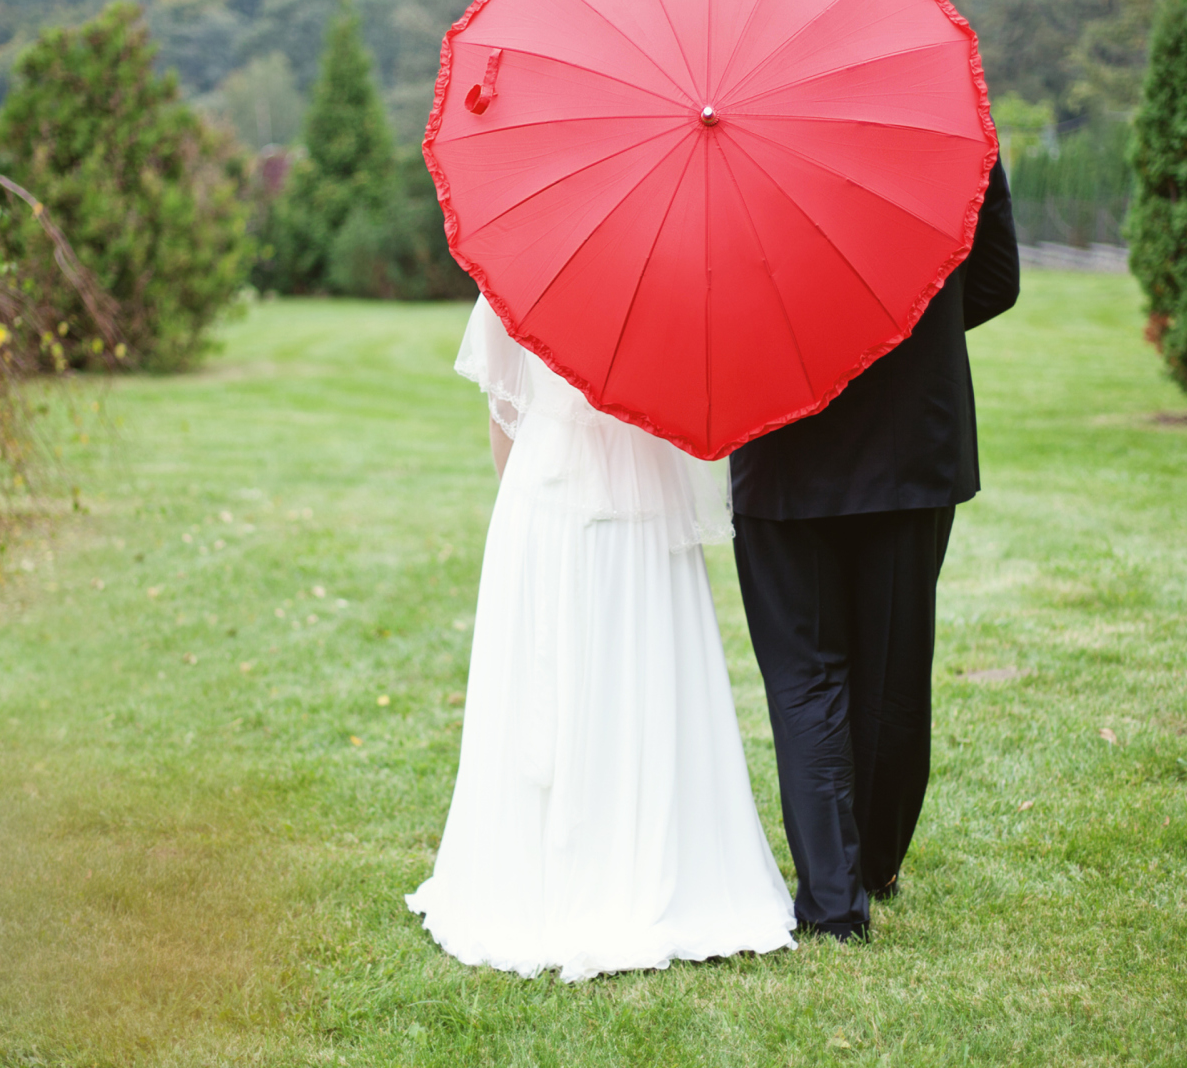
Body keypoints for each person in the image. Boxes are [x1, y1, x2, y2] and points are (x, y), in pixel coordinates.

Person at [407, 295, 796, 981]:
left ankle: (535, 880)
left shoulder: (523, 269)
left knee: (546, 675)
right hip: (645, 497)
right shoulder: (676, 278)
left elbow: (504, 412)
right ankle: (648, 858)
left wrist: (531, 502)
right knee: (643, 676)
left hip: (546, 492)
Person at [729, 157, 1020, 943]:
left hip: (782, 429)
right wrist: (898, 339)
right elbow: (995, 280)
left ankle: (832, 901)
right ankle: (876, 862)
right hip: (908, 436)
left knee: (804, 672)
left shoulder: (729, 129)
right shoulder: (948, 124)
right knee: (893, 664)